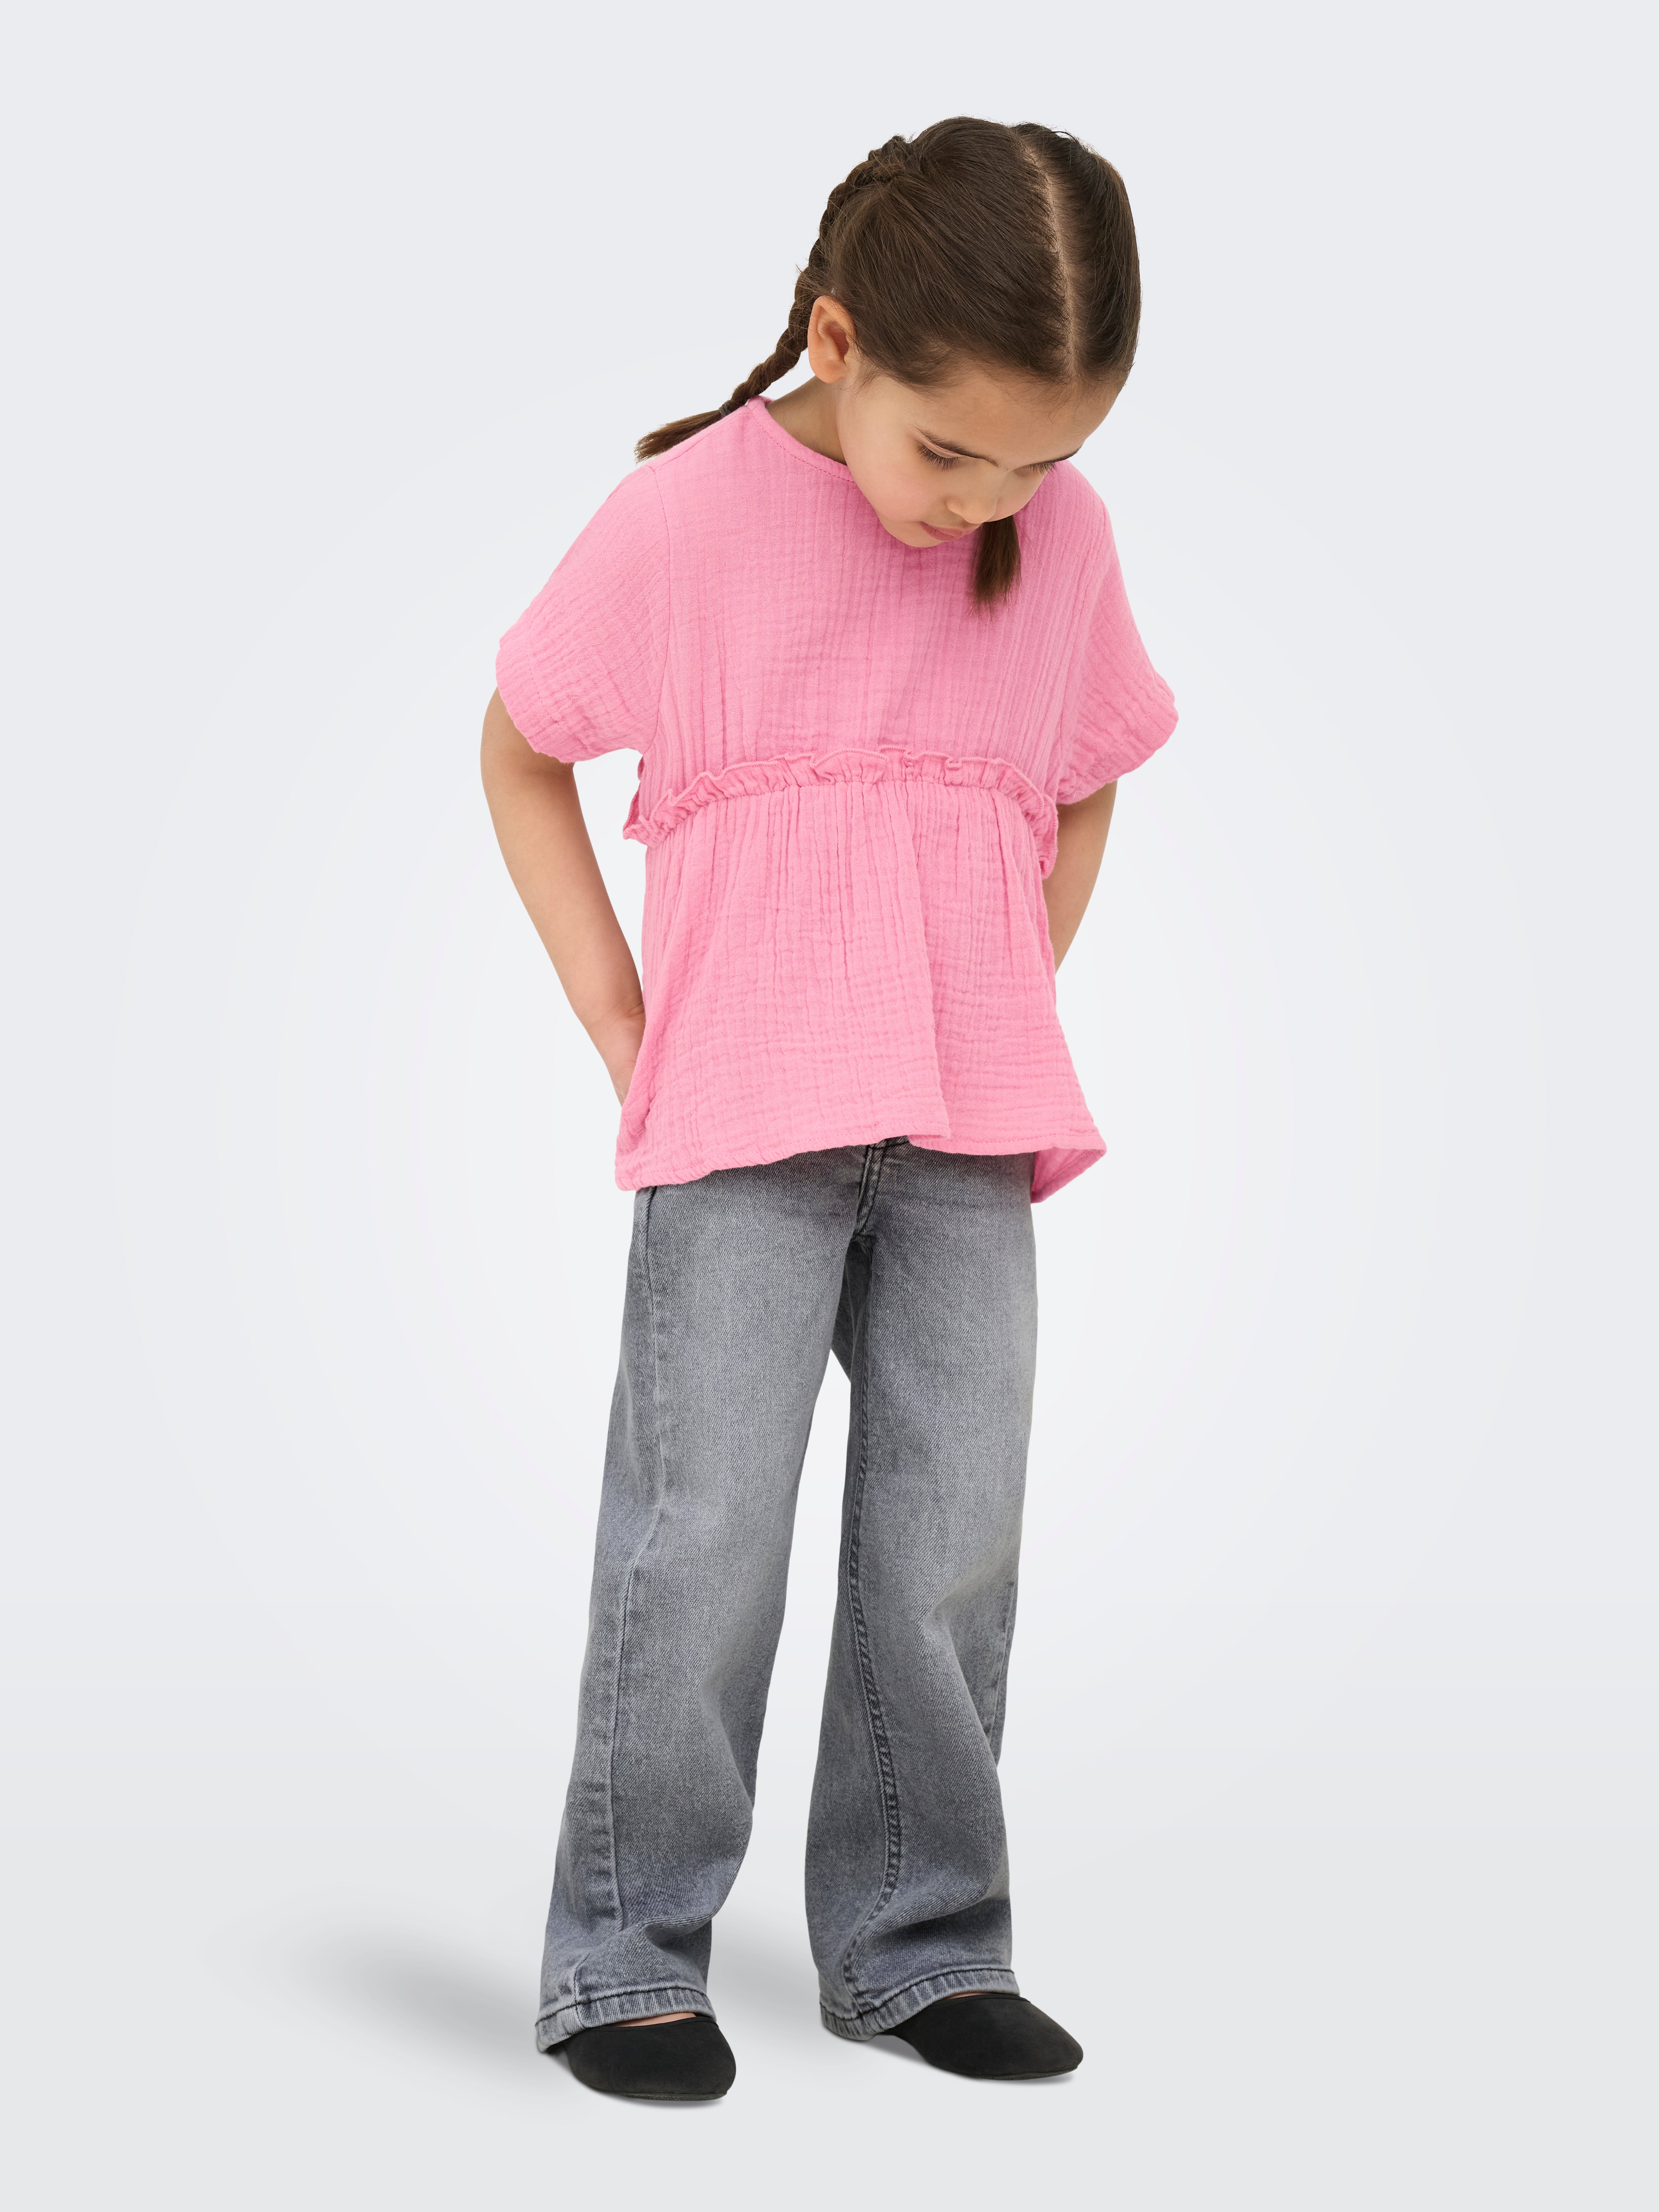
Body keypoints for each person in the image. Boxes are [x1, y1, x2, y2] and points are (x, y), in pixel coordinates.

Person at [480, 115, 1176, 2102]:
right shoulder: (687, 520)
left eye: (1038, 463)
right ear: (842, 341)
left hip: (968, 1130)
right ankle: (628, 1958)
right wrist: (626, 1021)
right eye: (951, 452)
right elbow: (520, 747)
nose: (988, 505)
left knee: (952, 1542)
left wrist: (1012, 979)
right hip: (742, 1126)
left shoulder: (1059, 535)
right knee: (700, 1539)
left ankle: (918, 1942)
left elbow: (1086, 774)